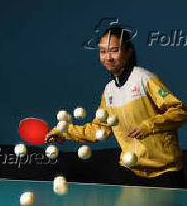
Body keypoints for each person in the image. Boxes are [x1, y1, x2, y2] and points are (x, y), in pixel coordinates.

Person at [46, 27, 187, 188]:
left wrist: (148, 126)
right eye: (103, 52)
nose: (108, 57)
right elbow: (101, 130)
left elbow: (180, 111)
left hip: (165, 173)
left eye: (114, 51)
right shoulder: (109, 91)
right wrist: (64, 131)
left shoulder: (144, 79)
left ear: (128, 51)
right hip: (129, 171)